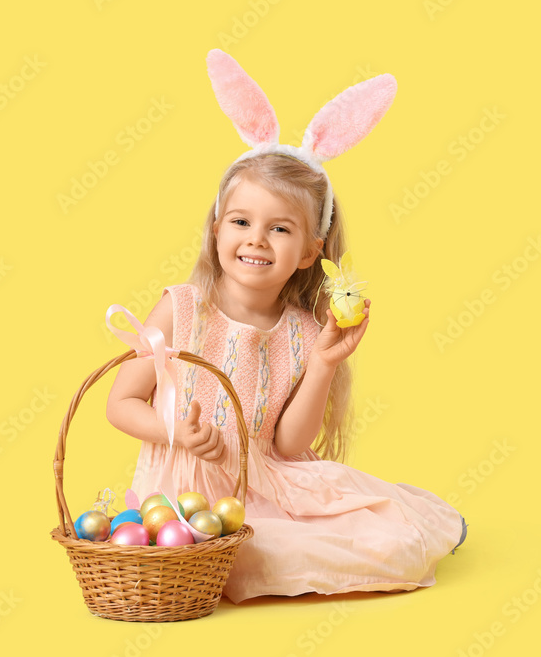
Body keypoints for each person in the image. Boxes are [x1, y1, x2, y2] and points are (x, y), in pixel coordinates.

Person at [105, 50, 465, 603]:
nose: (256, 239)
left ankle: (421, 527)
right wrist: (177, 431)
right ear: (216, 229)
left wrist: (323, 363)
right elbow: (120, 403)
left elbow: (290, 444)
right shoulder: (183, 308)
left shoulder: (300, 330)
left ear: (308, 252)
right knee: (241, 553)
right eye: (242, 222)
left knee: (369, 537)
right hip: (183, 490)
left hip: (267, 484)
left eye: (279, 228)